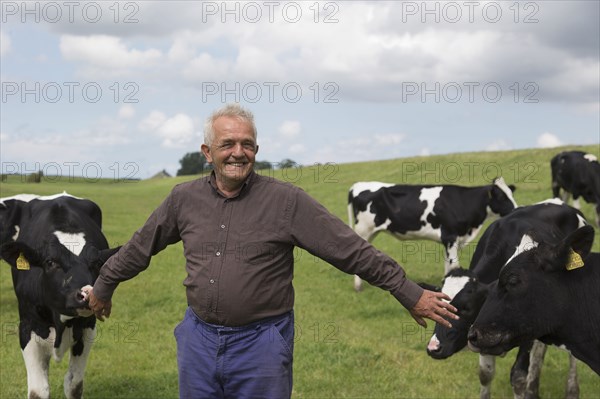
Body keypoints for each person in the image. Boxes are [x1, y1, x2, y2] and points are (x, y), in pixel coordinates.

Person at [87, 103, 458, 399]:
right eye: (227, 144)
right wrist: (104, 286)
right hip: (197, 341)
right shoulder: (183, 199)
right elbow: (140, 246)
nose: (238, 153)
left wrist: (408, 292)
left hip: (261, 344)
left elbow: (351, 250)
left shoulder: (286, 201)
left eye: (246, 144)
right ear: (207, 152)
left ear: (256, 150)